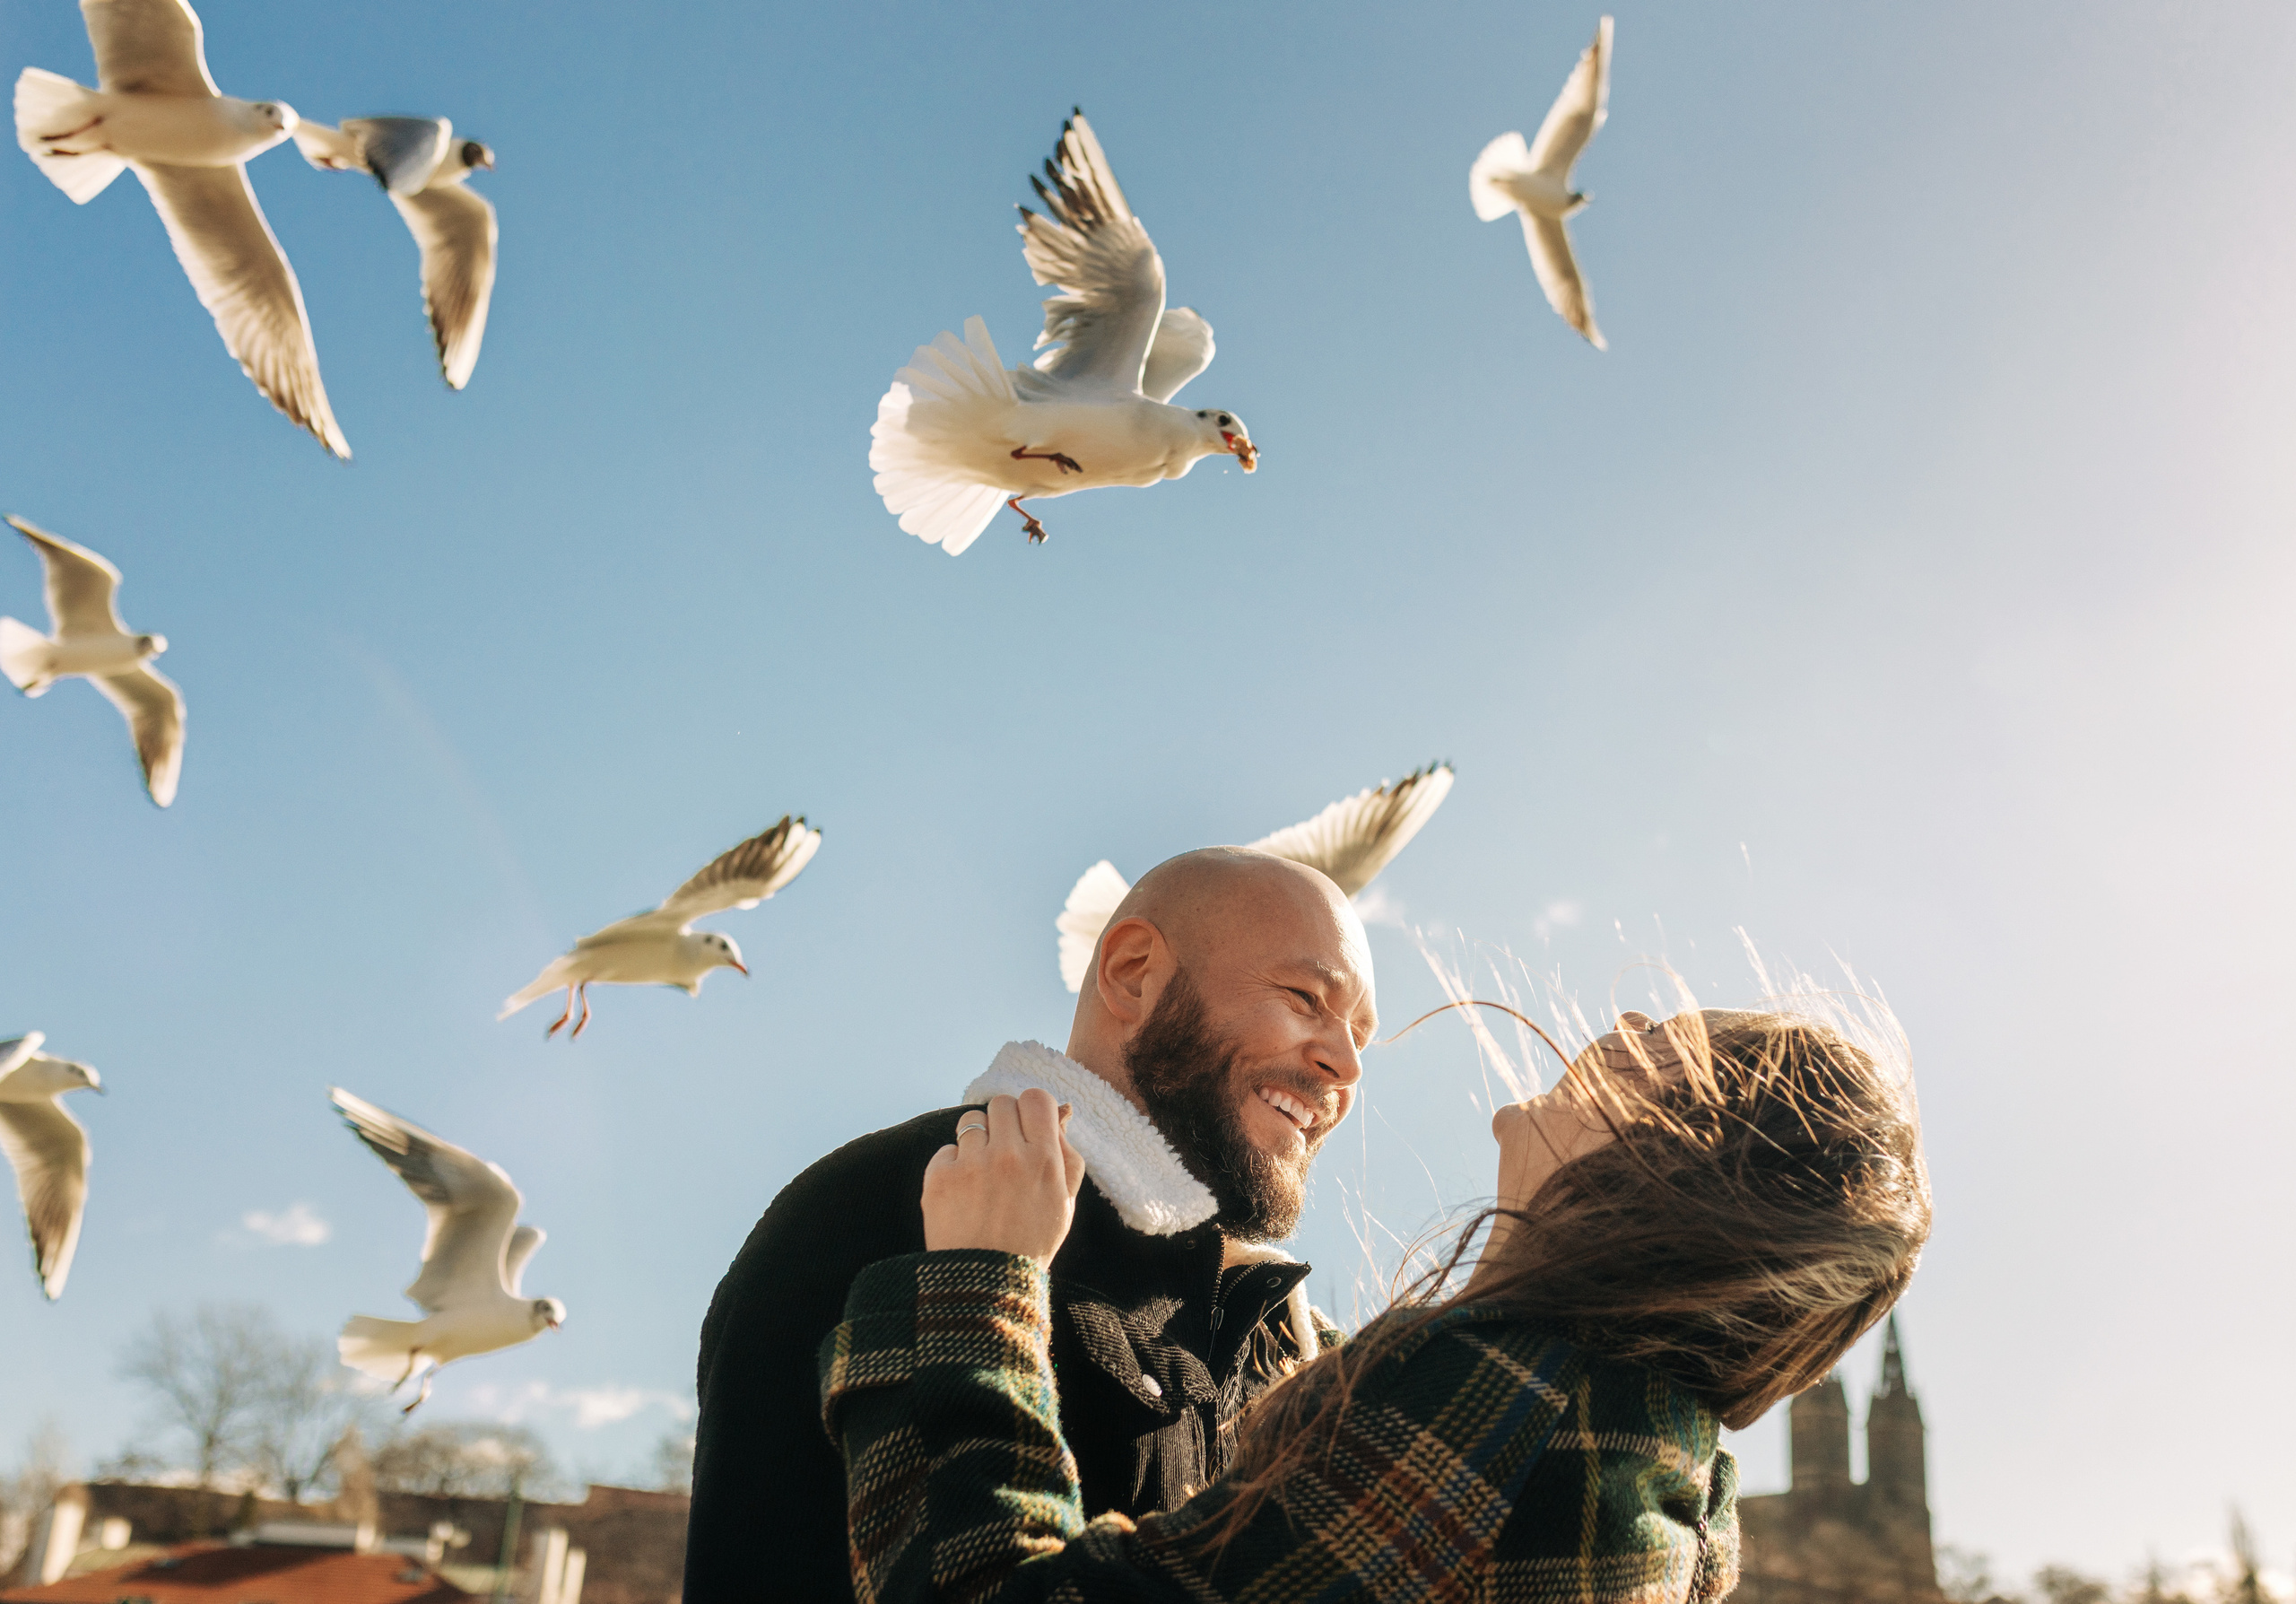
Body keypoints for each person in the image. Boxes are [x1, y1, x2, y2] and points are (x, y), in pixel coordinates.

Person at [821, 1005, 1933, 1603]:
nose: (1636, 1015)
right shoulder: (1659, 1460)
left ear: (1676, 1175)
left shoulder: (1505, 1406)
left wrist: (980, 1282)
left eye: (1673, 1050)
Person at [683, 849, 1379, 1603]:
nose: (1347, 1066)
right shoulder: (895, 1204)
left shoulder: (1286, 1338)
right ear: (1132, 971)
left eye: (1361, 1036)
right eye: (1306, 997)